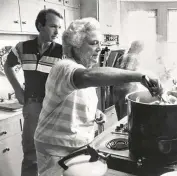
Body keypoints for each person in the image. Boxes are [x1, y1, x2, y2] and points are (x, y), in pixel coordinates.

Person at [34, 17, 163, 176]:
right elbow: (87, 76)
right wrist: (140, 75)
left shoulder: (80, 70)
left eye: (100, 44)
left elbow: (73, 100)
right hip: (57, 149)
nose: (99, 49)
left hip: (77, 146)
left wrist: (94, 113)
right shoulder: (64, 67)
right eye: (93, 43)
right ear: (76, 44)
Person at [4, 9, 63, 176]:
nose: (57, 31)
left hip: (54, 107)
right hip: (32, 106)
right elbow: (7, 66)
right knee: (31, 155)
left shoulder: (62, 51)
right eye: (53, 26)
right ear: (39, 26)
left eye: (59, 27)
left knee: (55, 154)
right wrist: (18, 89)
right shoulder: (22, 48)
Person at [113, 40, 145, 120]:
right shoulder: (135, 58)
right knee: (126, 117)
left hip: (116, 89)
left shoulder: (121, 57)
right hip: (127, 89)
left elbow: (115, 72)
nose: (141, 51)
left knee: (120, 115)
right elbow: (129, 74)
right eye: (141, 49)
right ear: (137, 48)